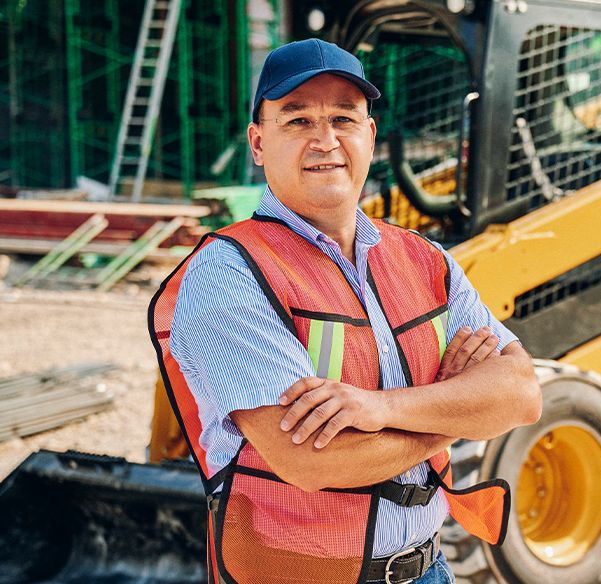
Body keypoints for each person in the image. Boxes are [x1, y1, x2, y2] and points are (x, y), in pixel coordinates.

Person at [148, 38, 541, 584]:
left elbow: (522, 393)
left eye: (343, 118)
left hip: (428, 569)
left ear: (370, 136)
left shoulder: (423, 260)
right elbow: (312, 462)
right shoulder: (232, 272)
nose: (325, 140)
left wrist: (380, 409)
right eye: (298, 120)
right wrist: (454, 415)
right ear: (258, 143)